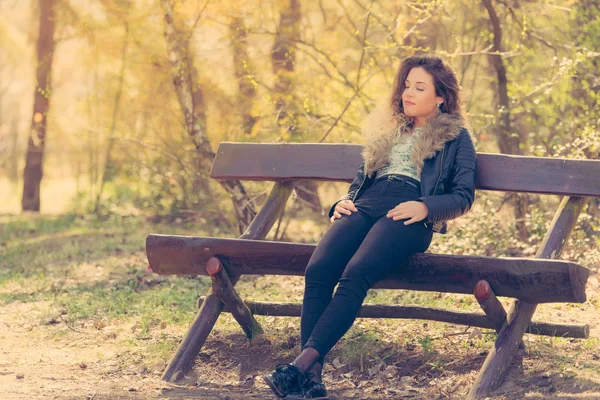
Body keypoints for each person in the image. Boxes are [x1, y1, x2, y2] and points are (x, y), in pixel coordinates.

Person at [263, 54, 477, 400]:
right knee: (318, 269)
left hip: (409, 213)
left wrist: (425, 206)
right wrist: (342, 201)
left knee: (356, 272)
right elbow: (362, 180)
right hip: (367, 204)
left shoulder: (457, 137)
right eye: (407, 84)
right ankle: (311, 378)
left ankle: (299, 367)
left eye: (419, 87)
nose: (408, 92)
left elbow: (463, 196)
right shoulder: (390, 131)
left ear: (440, 97)